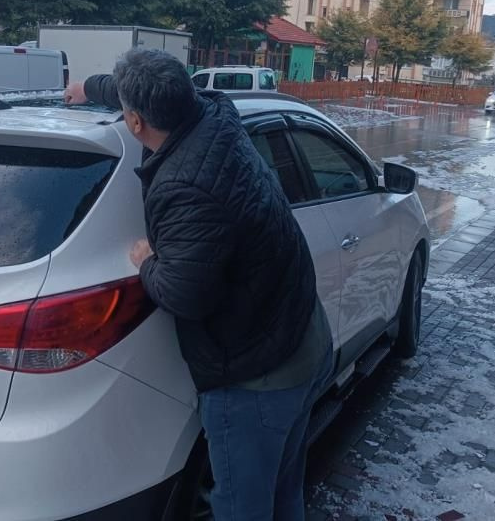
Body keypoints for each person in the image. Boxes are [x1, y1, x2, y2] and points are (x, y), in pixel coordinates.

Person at [64, 49, 334, 521]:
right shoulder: (216, 112)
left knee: (242, 509)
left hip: (258, 378)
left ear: (134, 123)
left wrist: (148, 261)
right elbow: (142, 97)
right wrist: (90, 88)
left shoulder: (188, 187)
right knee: (283, 491)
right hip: (301, 337)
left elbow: (184, 293)